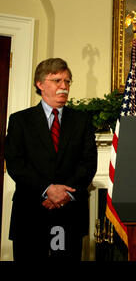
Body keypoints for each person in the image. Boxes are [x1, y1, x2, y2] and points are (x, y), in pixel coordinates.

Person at [5, 58, 98, 261]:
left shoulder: (82, 121)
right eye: (57, 80)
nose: (64, 86)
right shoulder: (20, 120)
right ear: (40, 84)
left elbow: (88, 163)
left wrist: (65, 193)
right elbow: (15, 163)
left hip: (69, 212)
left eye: (67, 81)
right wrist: (48, 189)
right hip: (30, 214)